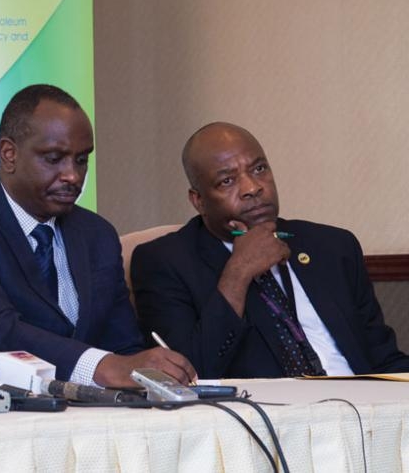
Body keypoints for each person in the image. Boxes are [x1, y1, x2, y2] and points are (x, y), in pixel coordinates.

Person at [0, 84, 196, 388]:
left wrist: (151, 373)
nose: (73, 176)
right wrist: (100, 366)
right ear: (8, 154)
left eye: (81, 160)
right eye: (53, 158)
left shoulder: (97, 235)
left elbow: (124, 347)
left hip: (88, 422)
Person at [132, 122, 409, 379]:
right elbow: (187, 378)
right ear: (199, 201)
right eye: (227, 181)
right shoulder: (164, 262)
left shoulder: (333, 247)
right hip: (268, 423)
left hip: (365, 411)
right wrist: (238, 273)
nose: (253, 187)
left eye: (259, 169)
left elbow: (384, 360)